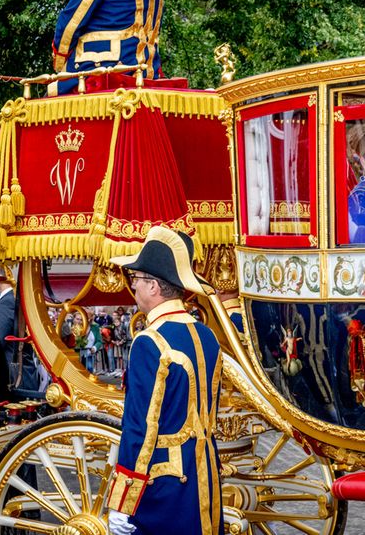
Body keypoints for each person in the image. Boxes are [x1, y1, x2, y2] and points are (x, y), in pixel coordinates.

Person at [105, 226, 222, 535]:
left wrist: (123, 501)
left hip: (163, 486)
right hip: (205, 478)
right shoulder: (207, 336)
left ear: (154, 286)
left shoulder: (150, 342)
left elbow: (139, 429)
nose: (134, 287)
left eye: (136, 280)